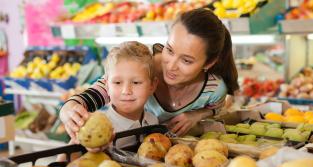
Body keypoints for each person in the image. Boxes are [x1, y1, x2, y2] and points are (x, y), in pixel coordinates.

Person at [59, 8, 239, 138]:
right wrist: (71, 107)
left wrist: (196, 115)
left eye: (186, 60)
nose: (171, 65)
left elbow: (216, 107)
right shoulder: (143, 62)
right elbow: (104, 89)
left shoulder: (214, 89)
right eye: (170, 50)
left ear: (209, 63)